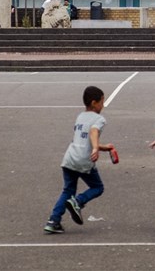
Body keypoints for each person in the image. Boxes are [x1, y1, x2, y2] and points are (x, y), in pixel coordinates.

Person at [44, 86, 114, 234]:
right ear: (94, 103)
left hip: (70, 158)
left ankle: (53, 221)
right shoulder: (99, 119)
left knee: (67, 190)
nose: (103, 105)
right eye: (102, 101)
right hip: (83, 160)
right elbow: (93, 132)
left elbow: (84, 139)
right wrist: (95, 148)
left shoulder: (80, 116)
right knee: (98, 187)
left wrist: (102, 147)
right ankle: (78, 201)